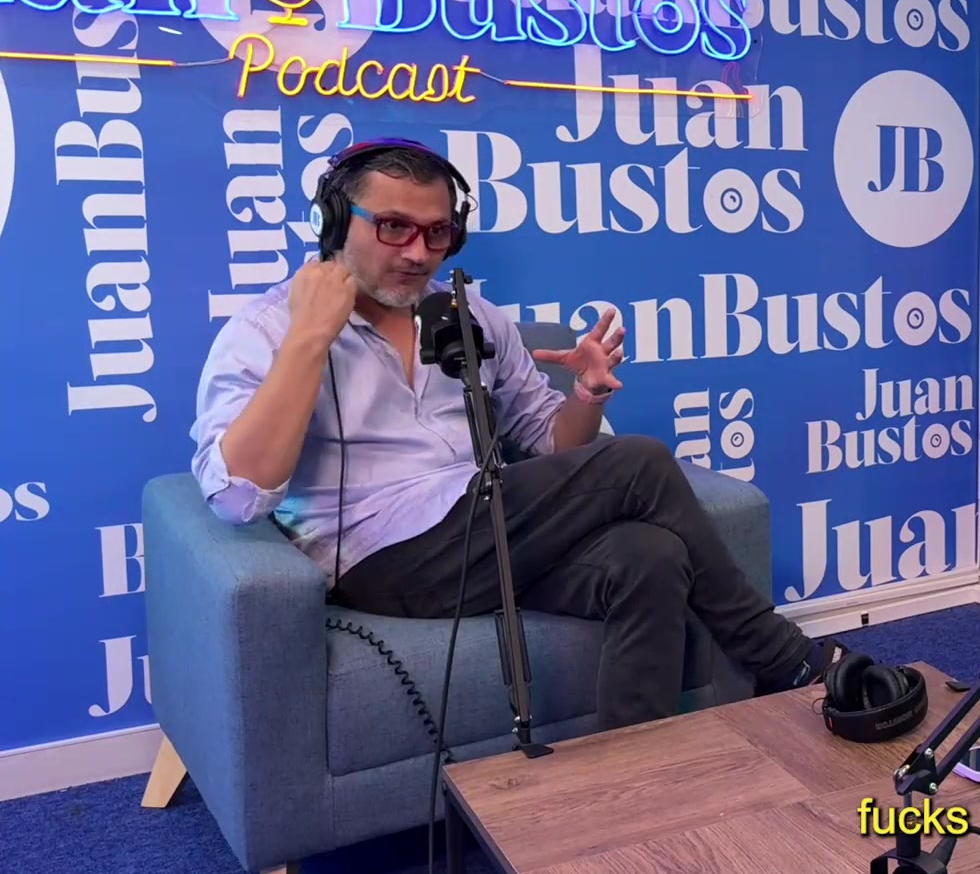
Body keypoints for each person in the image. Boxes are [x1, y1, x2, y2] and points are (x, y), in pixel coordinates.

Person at [189, 138, 843, 731]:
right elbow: (239, 497)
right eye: (392, 227)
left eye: (437, 232)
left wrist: (585, 396)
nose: (417, 252)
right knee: (640, 462)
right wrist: (309, 338)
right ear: (333, 223)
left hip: (485, 531)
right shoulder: (264, 331)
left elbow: (554, 446)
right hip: (375, 559)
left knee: (650, 556)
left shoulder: (466, 315)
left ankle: (636, 779)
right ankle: (782, 657)